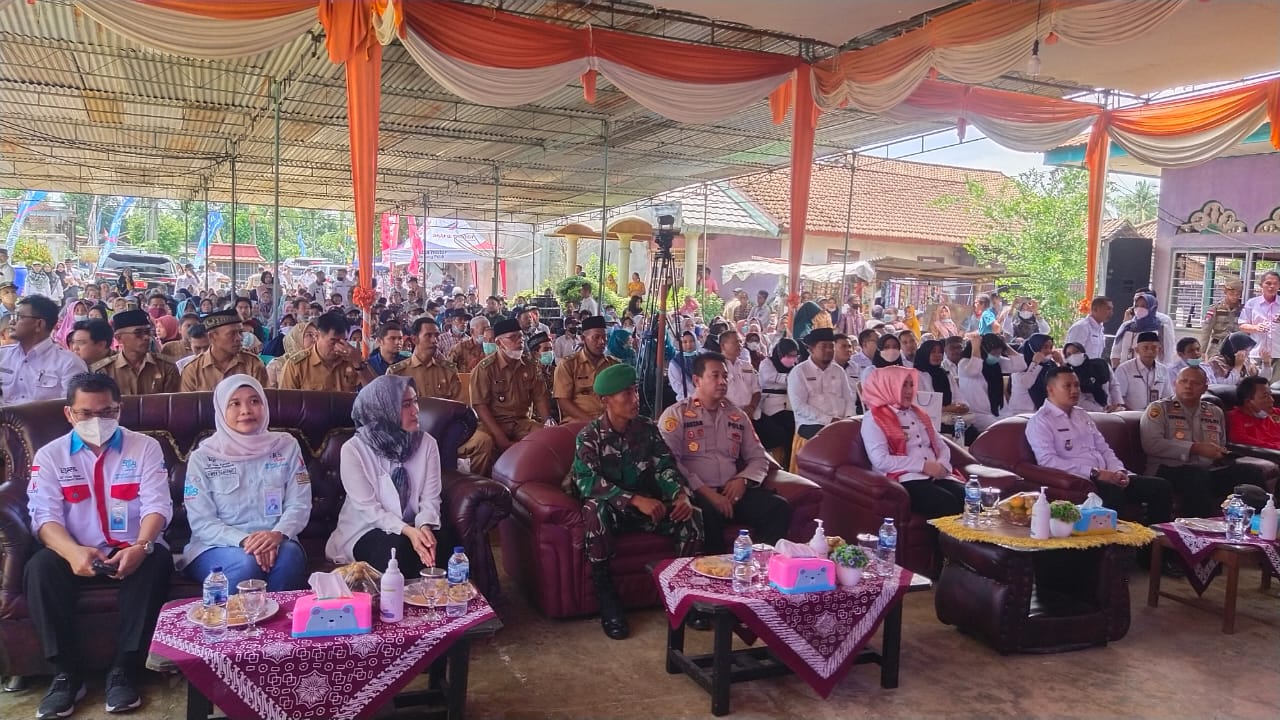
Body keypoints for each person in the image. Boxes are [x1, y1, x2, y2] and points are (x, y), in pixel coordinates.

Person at [24, 374, 172, 717]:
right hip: (74, 550)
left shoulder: (144, 447)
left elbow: (157, 505)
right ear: (69, 414)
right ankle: (65, 674)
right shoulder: (50, 456)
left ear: (119, 409)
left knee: (157, 561)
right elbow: (43, 517)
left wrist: (141, 546)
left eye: (106, 412)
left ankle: (124, 670)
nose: (97, 421)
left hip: (132, 546)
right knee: (39, 569)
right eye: (86, 413)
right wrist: (72, 552)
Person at [574, 364, 701, 639]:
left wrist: (680, 495)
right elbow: (587, 481)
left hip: (649, 509)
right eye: (626, 394)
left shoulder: (647, 429)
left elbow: (665, 466)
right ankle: (607, 597)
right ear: (606, 401)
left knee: (691, 515)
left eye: (635, 391)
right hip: (616, 512)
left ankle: (683, 594)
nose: (635, 399)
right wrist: (632, 499)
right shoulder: (589, 436)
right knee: (594, 509)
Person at [180, 375, 310, 592]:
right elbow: (202, 522)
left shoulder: (286, 446)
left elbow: (300, 503)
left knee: (289, 557)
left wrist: (277, 534)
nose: (246, 410)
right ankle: (229, 616)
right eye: (235, 403)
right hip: (216, 545)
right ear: (221, 410)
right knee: (246, 564)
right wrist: (246, 541)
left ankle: (279, 616)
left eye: (254, 401)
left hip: (278, 539)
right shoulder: (203, 457)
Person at [659, 352, 789, 554]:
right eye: (715, 376)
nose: (722, 381)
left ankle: (755, 562)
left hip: (732, 492)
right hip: (697, 492)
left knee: (778, 508)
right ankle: (716, 570)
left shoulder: (737, 415)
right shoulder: (677, 414)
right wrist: (707, 492)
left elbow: (758, 456)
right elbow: (669, 461)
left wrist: (743, 480)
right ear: (697, 380)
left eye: (725, 376)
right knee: (706, 514)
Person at [326, 376, 448, 579]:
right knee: (397, 550)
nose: (415, 410)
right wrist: (407, 531)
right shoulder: (354, 450)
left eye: (415, 401)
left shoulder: (427, 443)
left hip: (414, 525)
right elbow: (369, 510)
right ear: (383, 409)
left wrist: (424, 526)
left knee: (443, 542)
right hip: (367, 528)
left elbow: (430, 498)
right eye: (406, 405)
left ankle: (444, 598)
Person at [1027, 366, 1173, 524]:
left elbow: (1104, 448)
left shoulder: (1081, 415)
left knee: (1160, 487)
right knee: (1113, 494)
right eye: (1067, 386)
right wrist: (1094, 473)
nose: (1074, 390)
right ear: (1051, 389)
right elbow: (1047, 461)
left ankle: (1153, 538)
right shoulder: (1041, 421)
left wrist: (1118, 470)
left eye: (1076, 385)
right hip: (1082, 479)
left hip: (1108, 475)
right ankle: (1119, 540)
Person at [1141, 366, 1267, 519]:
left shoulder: (1214, 412)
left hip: (1207, 470)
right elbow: (1151, 444)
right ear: (1175, 383)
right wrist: (1195, 448)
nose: (1188, 386)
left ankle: (1263, 522)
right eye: (1183, 381)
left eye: (1195, 383)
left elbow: (1221, 444)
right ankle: (1200, 528)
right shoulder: (1159, 409)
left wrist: (1221, 453)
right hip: (1166, 470)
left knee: (1250, 472)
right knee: (1195, 476)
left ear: (1205, 388)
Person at [860, 365, 966, 517]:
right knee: (945, 502)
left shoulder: (918, 413)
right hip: (905, 478)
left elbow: (940, 444)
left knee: (970, 497)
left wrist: (941, 464)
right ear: (889, 386)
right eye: (904, 385)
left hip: (936, 474)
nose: (910, 391)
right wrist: (923, 466)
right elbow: (880, 460)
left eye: (911, 385)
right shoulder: (874, 418)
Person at [469, 318, 553, 455]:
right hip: (493, 423)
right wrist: (500, 438)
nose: (520, 341)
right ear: (499, 343)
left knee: (547, 438)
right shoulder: (485, 369)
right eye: (513, 337)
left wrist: (548, 421)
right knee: (484, 442)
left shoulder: (530, 365)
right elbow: (480, 406)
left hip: (522, 422)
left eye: (521, 336)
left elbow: (540, 397)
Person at [787, 328, 858, 470]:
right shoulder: (799, 372)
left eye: (831, 346)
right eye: (824, 346)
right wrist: (829, 420)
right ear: (811, 349)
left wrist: (849, 418)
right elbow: (799, 406)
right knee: (832, 438)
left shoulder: (838, 370)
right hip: (812, 423)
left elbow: (849, 398)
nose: (829, 350)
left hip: (841, 421)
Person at [0, 295, 88, 406]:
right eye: (13, 316)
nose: (11, 322)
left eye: (19, 317)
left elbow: (74, 407)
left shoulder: (69, 363)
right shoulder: (2, 355)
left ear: (39, 324)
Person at [278, 312, 374, 392]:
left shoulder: (351, 359)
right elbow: (286, 403)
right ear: (317, 336)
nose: (338, 347)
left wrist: (358, 363)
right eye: (333, 342)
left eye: (343, 342)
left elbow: (374, 393)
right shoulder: (296, 365)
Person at [90, 309, 180, 394]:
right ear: (119, 338)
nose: (146, 337)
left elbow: (172, 402)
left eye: (148, 332)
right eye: (138, 333)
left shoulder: (166, 367)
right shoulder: (104, 371)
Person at [179, 309, 269, 392]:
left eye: (240, 332)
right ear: (212, 337)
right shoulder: (193, 370)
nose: (239, 338)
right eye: (232, 334)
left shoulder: (253, 365)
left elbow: (264, 400)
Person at [955, 333, 1027, 431]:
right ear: (983, 350)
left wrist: (1005, 346)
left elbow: (1021, 366)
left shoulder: (996, 363)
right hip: (978, 415)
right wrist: (976, 347)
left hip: (1000, 412)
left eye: (999, 353)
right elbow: (974, 370)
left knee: (1020, 427)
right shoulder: (964, 363)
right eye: (994, 353)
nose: (997, 356)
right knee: (1004, 430)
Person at [554, 315, 619, 423]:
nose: (602, 341)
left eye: (605, 337)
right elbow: (563, 401)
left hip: (610, 421)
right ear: (583, 339)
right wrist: (592, 423)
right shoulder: (568, 365)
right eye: (596, 337)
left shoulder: (614, 365)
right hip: (578, 422)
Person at [756, 338, 797, 467]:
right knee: (783, 430)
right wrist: (792, 378)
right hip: (771, 404)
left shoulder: (795, 366)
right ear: (780, 353)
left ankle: (790, 463)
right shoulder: (766, 363)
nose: (792, 359)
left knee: (794, 429)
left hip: (790, 404)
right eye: (789, 355)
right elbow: (771, 378)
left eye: (794, 356)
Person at [1111, 292, 1175, 366]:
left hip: (1151, 370)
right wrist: (1116, 369)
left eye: (1143, 306)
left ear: (1152, 307)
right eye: (1136, 306)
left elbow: (1167, 356)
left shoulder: (1161, 329)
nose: (1139, 308)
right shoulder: (1126, 326)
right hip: (1125, 369)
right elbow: (1116, 352)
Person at [1237, 269, 1280, 376]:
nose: (1272, 286)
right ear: (1261, 285)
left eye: (1275, 283)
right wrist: (1256, 328)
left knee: (1276, 386)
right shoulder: (1252, 303)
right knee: (1256, 384)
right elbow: (1242, 325)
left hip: (1278, 354)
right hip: (1256, 354)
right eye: (1268, 283)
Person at [1114, 331, 1171, 410]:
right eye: (1145, 348)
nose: (1150, 351)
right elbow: (1118, 398)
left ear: (1159, 349)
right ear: (1137, 350)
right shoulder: (1124, 369)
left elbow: (1167, 397)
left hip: (1156, 415)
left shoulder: (1163, 370)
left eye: (1154, 348)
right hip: (1129, 415)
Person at [1061, 342, 1123, 412]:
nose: (1073, 356)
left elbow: (1114, 385)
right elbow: (1080, 400)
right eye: (1069, 354)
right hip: (1089, 412)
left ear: (1083, 352)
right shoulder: (1070, 374)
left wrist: (1117, 403)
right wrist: (1102, 410)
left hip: (1112, 407)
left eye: (1076, 352)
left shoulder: (1101, 364)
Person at [1008, 333, 1060, 414]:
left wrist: (1061, 362)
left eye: (1050, 347)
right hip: (1023, 411)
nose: (1049, 351)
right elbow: (1026, 383)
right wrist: (1035, 363)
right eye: (1045, 347)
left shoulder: (1049, 364)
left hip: (1046, 409)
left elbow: (1063, 381)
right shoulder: (1021, 364)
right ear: (1034, 348)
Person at [1227, 375, 1280, 449]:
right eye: (1265, 397)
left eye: (1270, 395)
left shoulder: (1275, 412)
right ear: (1248, 402)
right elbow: (1240, 441)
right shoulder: (1235, 418)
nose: (1272, 400)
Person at [1203, 331, 1269, 385]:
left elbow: (1261, 381)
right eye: (1245, 350)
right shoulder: (1216, 362)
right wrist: (1237, 367)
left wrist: (1266, 364)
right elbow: (1223, 386)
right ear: (1235, 350)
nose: (1247, 354)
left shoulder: (1245, 361)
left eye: (1248, 351)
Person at [1200, 279, 1244, 357]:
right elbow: (1206, 330)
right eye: (1231, 294)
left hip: (1235, 348)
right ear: (1225, 292)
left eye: (1238, 294)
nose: (1235, 297)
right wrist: (1202, 351)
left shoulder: (1243, 310)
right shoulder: (1215, 308)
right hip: (1217, 347)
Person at [668, 330, 699, 403]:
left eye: (692, 341)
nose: (688, 344)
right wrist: (691, 396)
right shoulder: (675, 362)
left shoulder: (702, 358)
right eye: (685, 342)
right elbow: (676, 383)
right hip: (685, 399)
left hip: (704, 398)